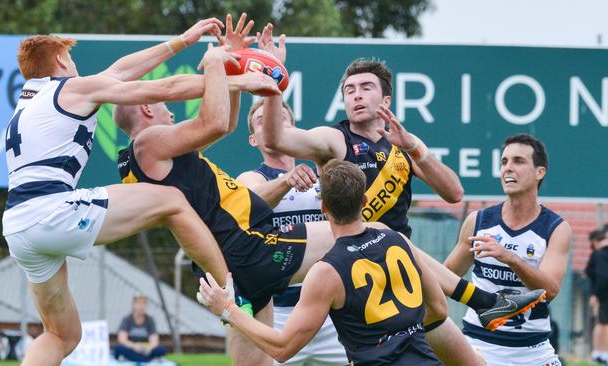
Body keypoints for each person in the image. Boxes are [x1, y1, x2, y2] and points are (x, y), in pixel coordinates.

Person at [255, 23, 543, 364]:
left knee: (458, 346)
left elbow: (453, 192)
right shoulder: (335, 139)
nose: (357, 95)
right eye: (350, 90)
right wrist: (274, 79)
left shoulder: (401, 144)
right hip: (357, 269)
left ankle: (485, 304)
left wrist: (416, 149)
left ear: (386, 99)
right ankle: (482, 301)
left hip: (402, 273)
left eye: (366, 87)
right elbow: (276, 139)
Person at [1, 19, 278, 366]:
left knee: (60, 335)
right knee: (173, 201)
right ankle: (231, 297)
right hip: (51, 210)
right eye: (70, 59)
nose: (75, 65)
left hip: (17, 225)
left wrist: (182, 41)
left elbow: (120, 70)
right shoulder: (71, 88)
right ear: (59, 59)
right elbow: (163, 88)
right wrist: (234, 79)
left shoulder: (29, 100)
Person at [198, 159, 447, 365]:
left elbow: (282, 349)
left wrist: (228, 309)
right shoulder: (397, 240)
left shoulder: (326, 271)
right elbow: (439, 309)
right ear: (365, 202)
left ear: (324, 208)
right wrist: (401, 335)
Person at [236, 97, 348, 366]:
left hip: (333, 314)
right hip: (281, 313)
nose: (272, 124)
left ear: (293, 130)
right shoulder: (252, 178)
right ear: (253, 140)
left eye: (280, 119)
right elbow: (248, 202)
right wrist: (286, 180)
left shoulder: (325, 174)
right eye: (261, 122)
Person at [443, 134, 570, 365]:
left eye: (518, 161)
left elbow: (550, 290)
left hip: (533, 349)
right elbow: (445, 277)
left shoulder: (556, 228)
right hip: (479, 345)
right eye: (504, 162)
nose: (508, 168)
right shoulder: (478, 221)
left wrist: (511, 258)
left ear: (539, 172)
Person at [113, 294, 167, 363]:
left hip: (145, 350)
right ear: (134, 305)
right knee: (119, 348)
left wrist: (149, 347)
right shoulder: (127, 319)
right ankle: (145, 360)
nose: (141, 306)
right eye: (138, 303)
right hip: (131, 348)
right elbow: (122, 339)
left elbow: (154, 341)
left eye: (143, 303)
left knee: (161, 350)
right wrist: (134, 346)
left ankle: (137, 359)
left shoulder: (150, 320)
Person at [586, 228, 608, 364]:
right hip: (603, 294)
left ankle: (601, 352)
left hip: (603, 294)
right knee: (602, 322)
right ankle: (601, 352)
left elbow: (601, 276)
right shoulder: (599, 255)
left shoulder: (599, 255)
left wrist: (595, 293)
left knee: (602, 323)